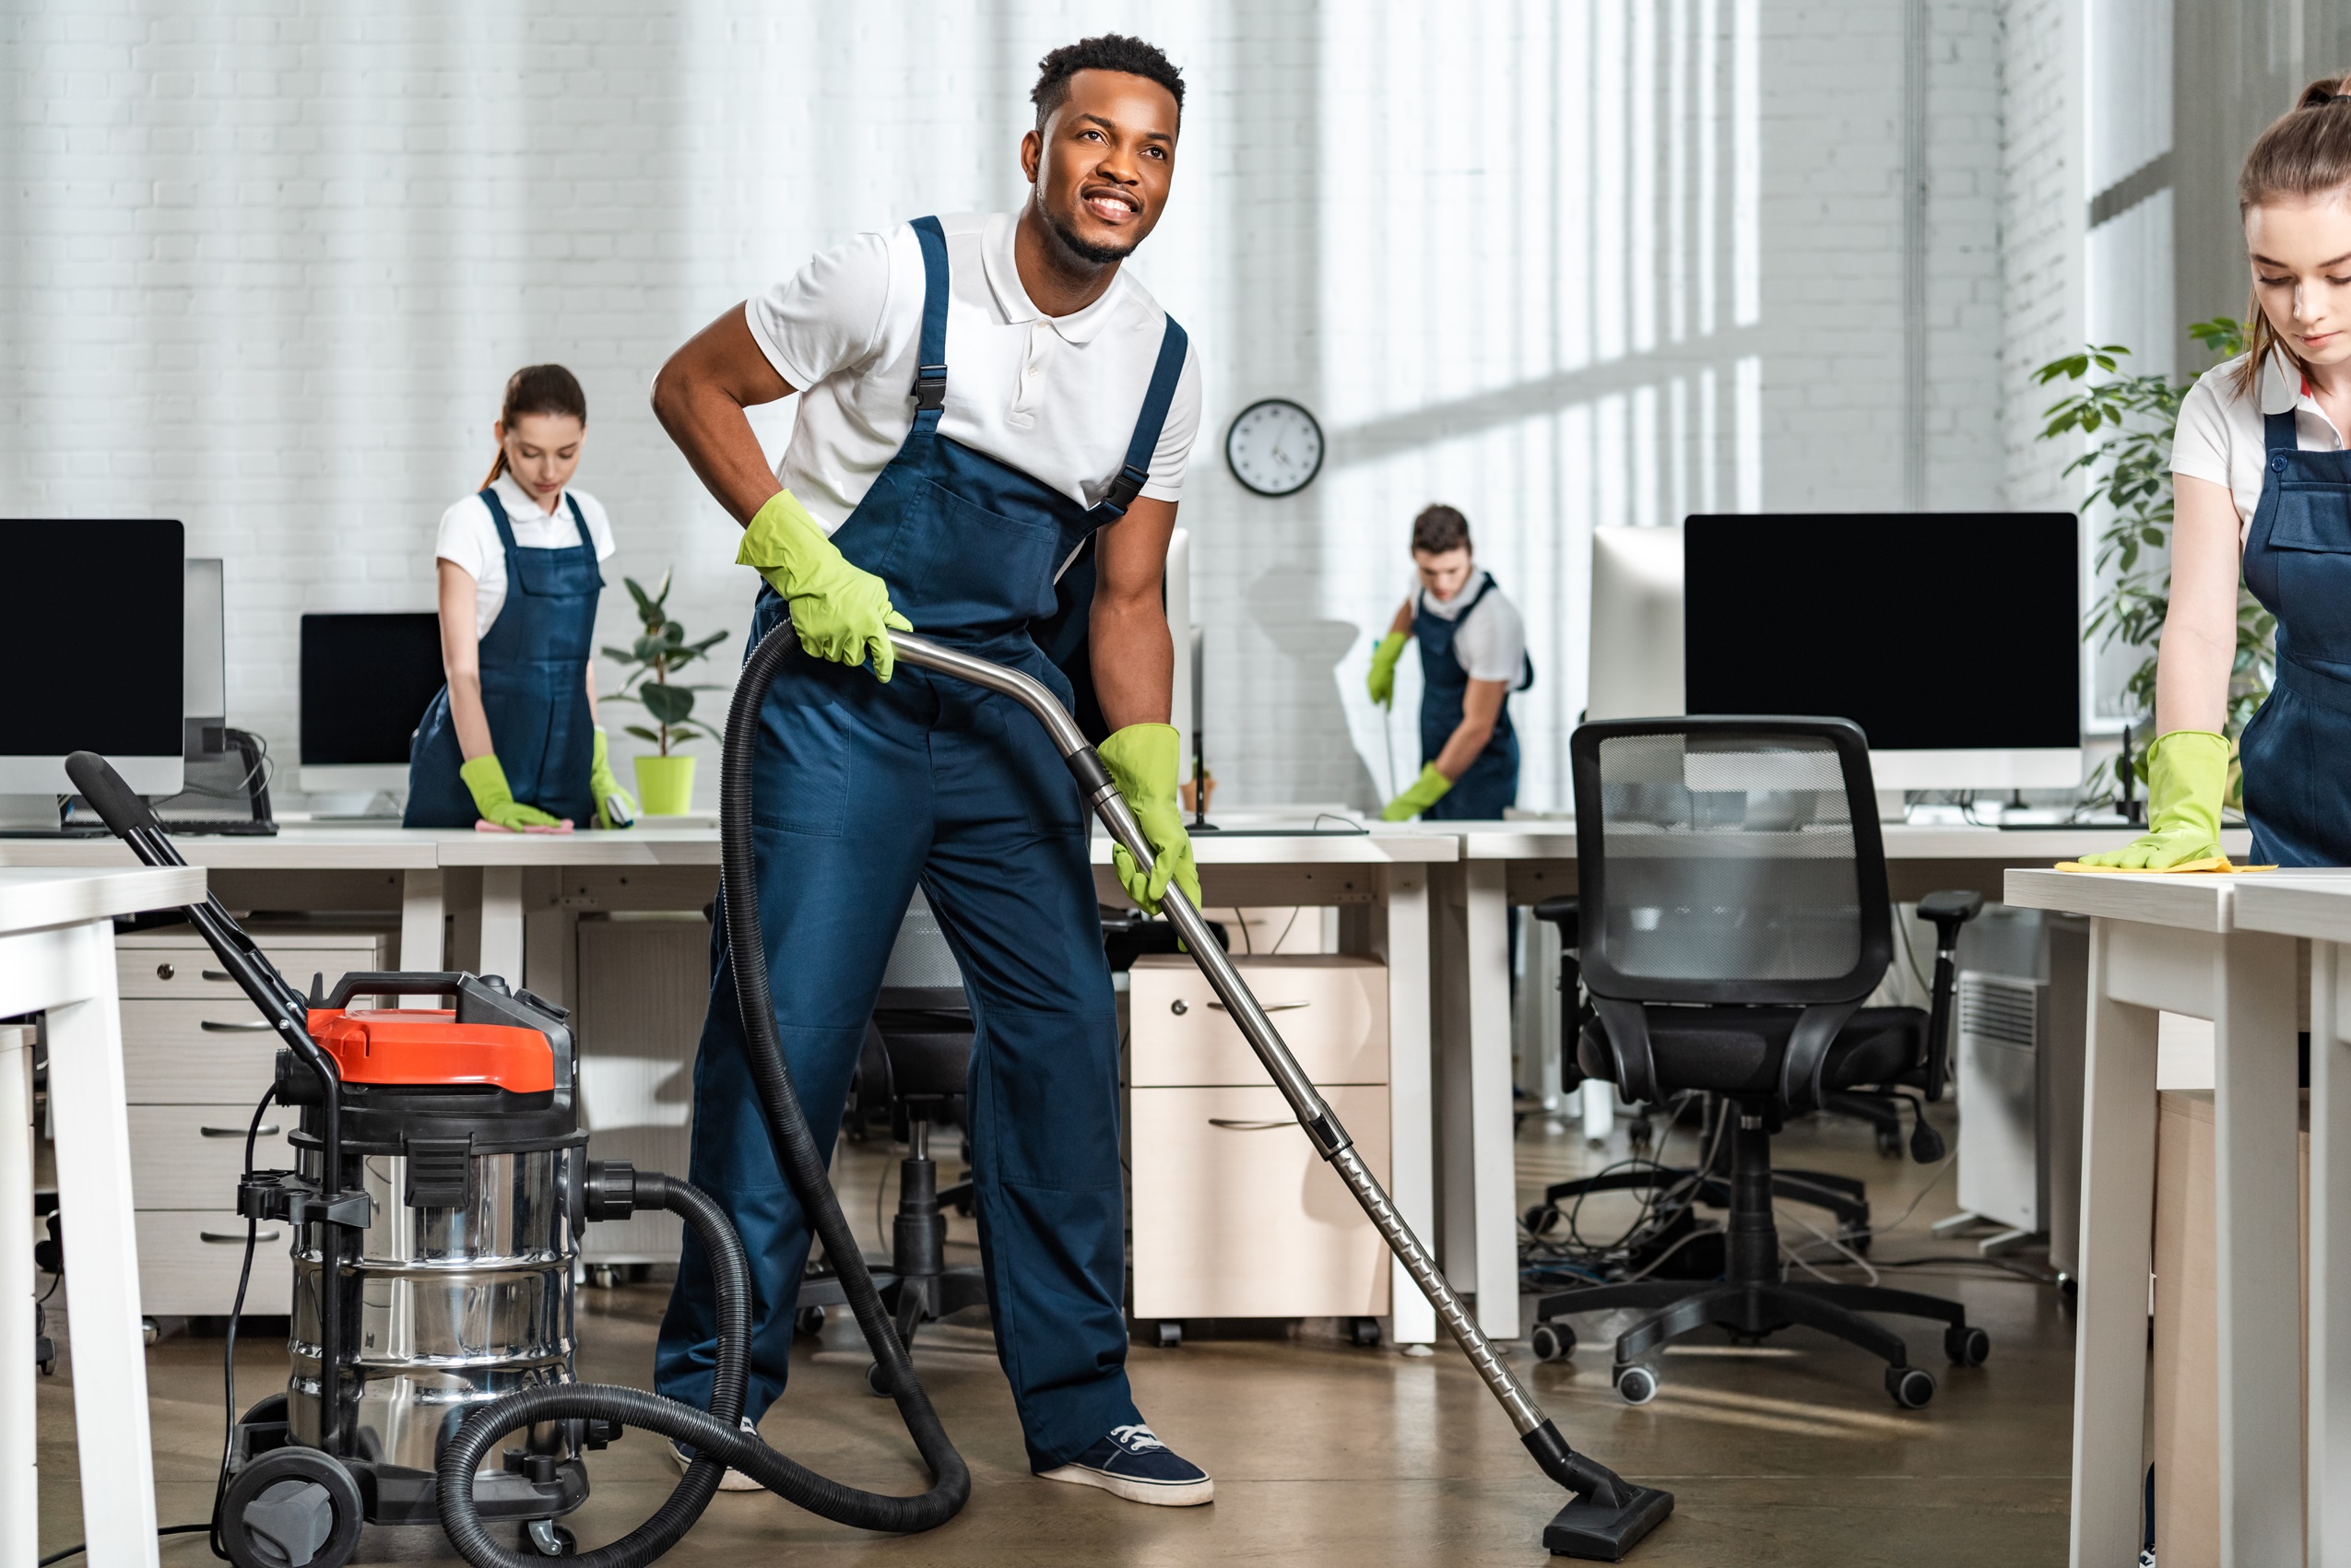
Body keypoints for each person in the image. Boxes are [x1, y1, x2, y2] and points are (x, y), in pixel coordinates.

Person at [646, 36, 1212, 1505]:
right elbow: (693, 387)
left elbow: (1128, 600)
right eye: (1094, 138)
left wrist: (1147, 767)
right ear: (1036, 149)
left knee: (1064, 1039)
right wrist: (795, 552)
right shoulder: (892, 274)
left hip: (1006, 714)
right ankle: (717, 1396)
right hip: (833, 696)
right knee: (789, 1036)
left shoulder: (1159, 364)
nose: (1120, 172)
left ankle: (1085, 1412)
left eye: (1149, 152)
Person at [2086, 76, 2351, 871]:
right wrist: (2185, 813)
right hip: (2304, 815)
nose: (2307, 310)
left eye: (2342, 275)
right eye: (2275, 276)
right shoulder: (2224, 408)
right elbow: (2200, 629)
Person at [406, 364, 634, 831]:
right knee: (461, 902)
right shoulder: (469, 522)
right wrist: (491, 793)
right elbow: (462, 674)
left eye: (566, 453)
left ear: (585, 437)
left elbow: (578, 663)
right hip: (472, 764)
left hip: (565, 763)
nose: (550, 471)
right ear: (501, 435)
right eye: (531, 453)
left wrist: (597, 765)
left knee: (565, 901)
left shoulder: (589, 519)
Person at [1366, 503, 1532, 820]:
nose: (1441, 584)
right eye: (1429, 572)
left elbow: (1478, 727)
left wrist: (1419, 795)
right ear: (1415, 556)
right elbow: (1412, 605)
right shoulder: (1422, 581)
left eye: (1452, 571)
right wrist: (1389, 652)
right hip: (1437, 743)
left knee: (1473, 863)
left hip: (1481, 767)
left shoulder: (1493, 621)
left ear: (1470, 553)